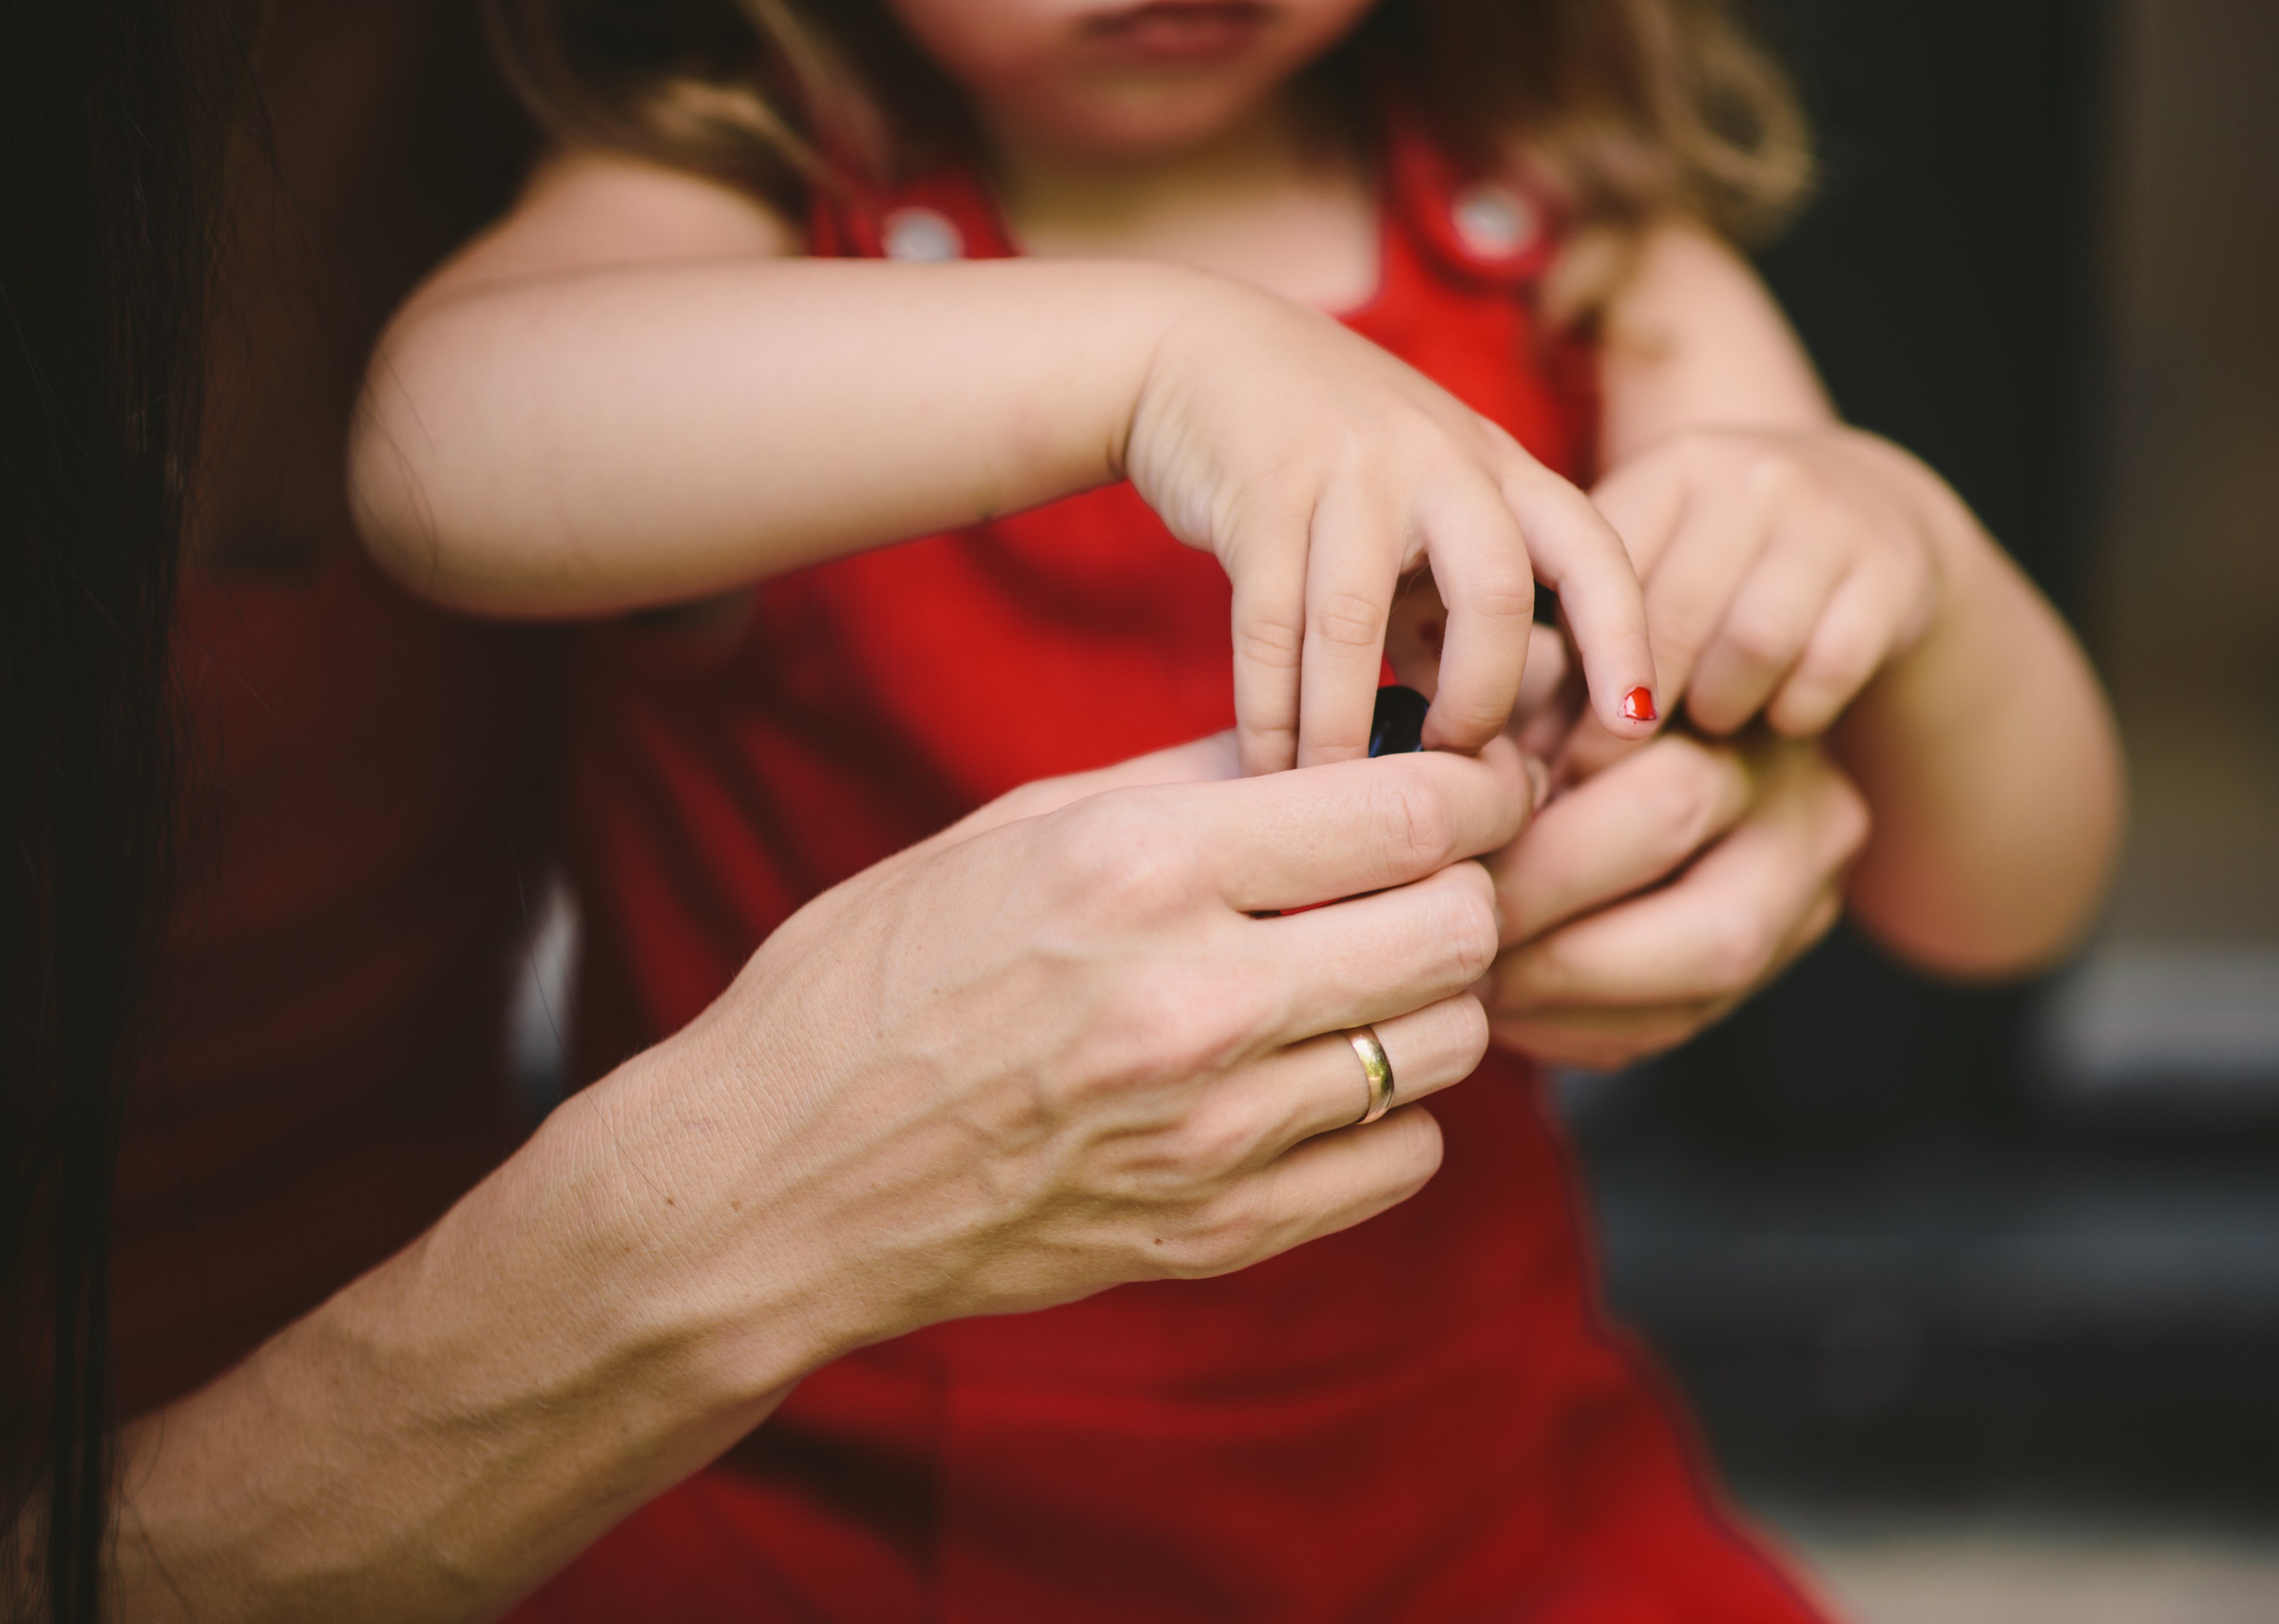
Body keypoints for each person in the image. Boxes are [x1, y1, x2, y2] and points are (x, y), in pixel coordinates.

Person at [2, 5, 1842, 1623]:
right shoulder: (750, 187)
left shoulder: (1562, 229)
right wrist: (1157, 358)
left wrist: (1887, 557)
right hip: (807, 1513)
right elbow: (436, 453)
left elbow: (1978, 891)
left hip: (1453, 1493)